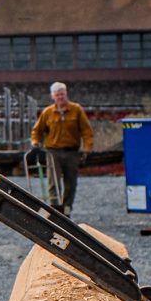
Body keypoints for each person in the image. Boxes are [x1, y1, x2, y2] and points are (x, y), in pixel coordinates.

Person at [29, 81, 94, 215]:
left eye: (62, 94)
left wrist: (87, 149)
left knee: (71, 184)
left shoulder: (76, 110)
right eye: (57, 95)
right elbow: (37, 130)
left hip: (72, 152)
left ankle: (66, 210)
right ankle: (55, 211)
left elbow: (87, 131)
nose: (60, 97)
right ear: (53, 96)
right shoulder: (47, 112)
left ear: (66, 94)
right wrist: (35, 143)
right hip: (53, 152)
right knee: (53, 183)